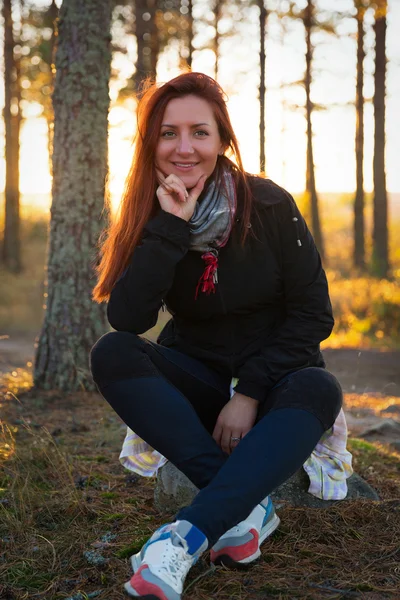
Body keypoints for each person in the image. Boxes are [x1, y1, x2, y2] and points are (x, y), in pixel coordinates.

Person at [90, 72, 343, 599]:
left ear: (222, 139)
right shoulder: (151, 212)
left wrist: (249, 393)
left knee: (320, 388)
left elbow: (313, 315)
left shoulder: (269, 204)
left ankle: (185, 535)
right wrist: (170, 227)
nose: (184, 148)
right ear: (151, 143)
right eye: (168, 133)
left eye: (199, 133)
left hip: (276, 386)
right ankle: (246, 506)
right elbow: (130, 318)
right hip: (198, 380)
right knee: (113, 353)